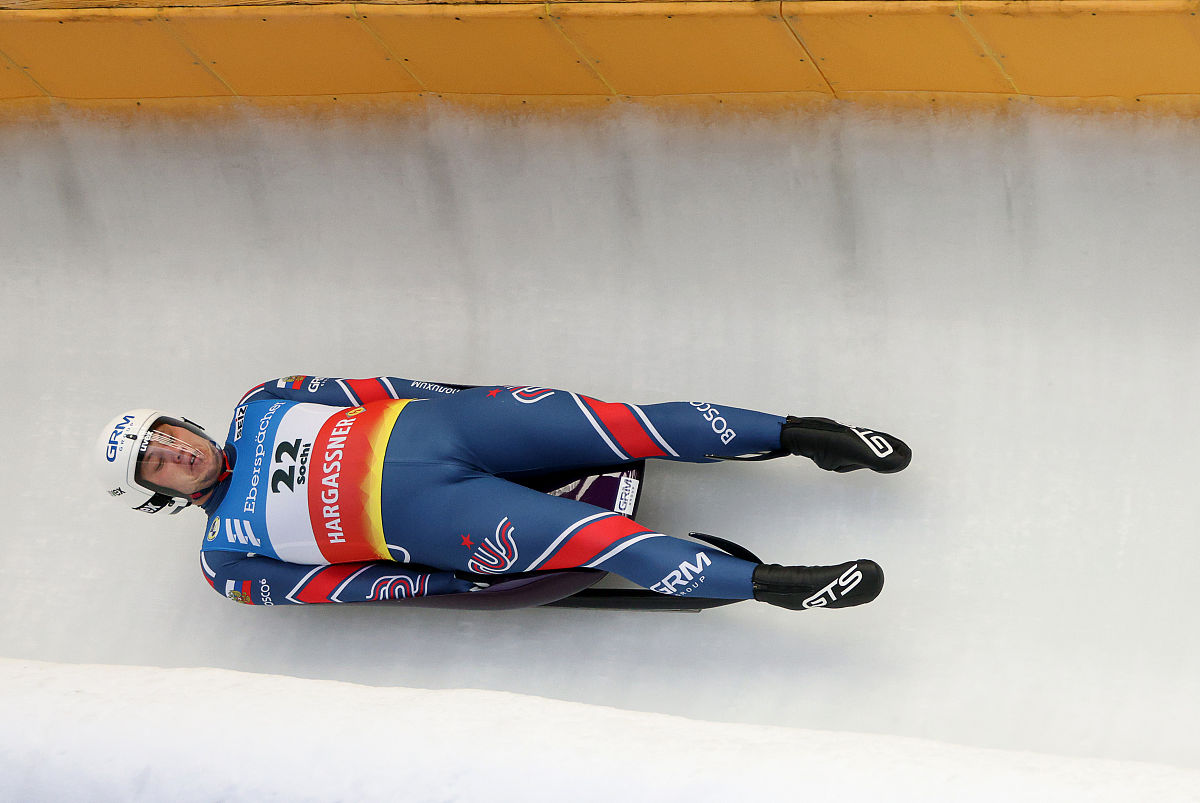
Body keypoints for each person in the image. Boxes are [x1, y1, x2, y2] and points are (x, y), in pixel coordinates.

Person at [97, 376, 910, 610]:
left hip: (447, 429)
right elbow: (360, 586)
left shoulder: (265, 398)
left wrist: (485, 399)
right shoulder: (227, 561)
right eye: (156, 464)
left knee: (621, 422)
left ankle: (811, 436)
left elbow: (387, 384)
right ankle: (776, 587)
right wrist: (466, 581)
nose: (174, 452)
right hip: (438, 522)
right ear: (155, 495)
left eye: (166, 435)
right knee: (596, 542)